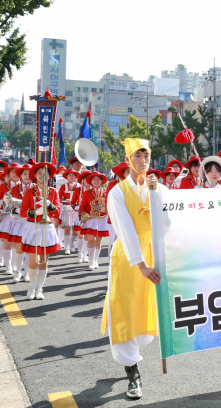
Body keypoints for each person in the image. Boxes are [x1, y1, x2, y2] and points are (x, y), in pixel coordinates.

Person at [101, 138, 166, 400]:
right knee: (125, 309)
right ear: (128, 161)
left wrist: (155, 195)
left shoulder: (158, 188)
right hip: (129, 259)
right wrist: (140, 264)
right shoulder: (117, 192)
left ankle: (133, 357)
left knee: (150, 308)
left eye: (146, 156)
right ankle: (132, 371)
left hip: (155, 254)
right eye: (137, 156)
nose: (143, 161)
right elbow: (125, 231)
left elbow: (168, 223)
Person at [20, 162, 61, 300]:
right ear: (35, 176)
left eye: (45, 174)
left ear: (49, 176)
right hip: (33, 226)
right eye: (39, 174)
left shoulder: (53, 191)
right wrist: (35, 212)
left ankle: (39, 288)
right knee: (34, 260)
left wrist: (50, 206)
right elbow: (22, 211)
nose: (42, 176)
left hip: (47, 227)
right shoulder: (29, 192)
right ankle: (31, 287)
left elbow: (58, 210)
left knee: (44, 260)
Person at [79, 172, 110, 270]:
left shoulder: (106, 192)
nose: (96, 181)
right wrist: (82, 217)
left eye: (98, 179)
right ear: (91, 182)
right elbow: (83, 205)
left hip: (102, 219)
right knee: (90, 239)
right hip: (90, 219)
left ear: (102, 181)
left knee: (98, 241)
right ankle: (91, 261)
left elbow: (110, 205)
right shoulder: (87, 192)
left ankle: (96, 260)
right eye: (94, 179)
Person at [10, 164, 34, 283]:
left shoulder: (36, 188)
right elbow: (11, 205)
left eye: (30, 173)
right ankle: (18, 272)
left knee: (29, 249)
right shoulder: (15, 188)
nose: (27, 176)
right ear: (20, 176)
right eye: (24, 174)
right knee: (19, 248)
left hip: (31, 222)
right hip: (19, 221)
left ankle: (27, 273)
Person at [107, 162, 129, 259]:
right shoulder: (112, 184)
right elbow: (107, 201)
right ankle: (111, 266)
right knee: (113, 243)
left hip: (129, 218)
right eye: (127, 172)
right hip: (113, 218)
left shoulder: (134, 185)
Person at [58, 169, 80, 255]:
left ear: (75, 177)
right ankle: (67, 248)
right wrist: (65, 200)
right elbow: (59, 198)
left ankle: (71, 242)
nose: (71, 177)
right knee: (67, 228)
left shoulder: (79, 186)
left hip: (76, 210)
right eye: (69, 175)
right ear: (66, 177)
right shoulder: (63, 186)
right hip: (66, 208)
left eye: (73, 175)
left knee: (75, 229)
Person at [72, 171, 92, 263]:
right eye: (86, 179)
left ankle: (85, 255)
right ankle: (80, 254)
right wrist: (77, 208)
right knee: (80, 235)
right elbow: (72, 203)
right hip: (79, 214)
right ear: (82, 181)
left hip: (91, 215)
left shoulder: (93, 190)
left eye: (89, 179)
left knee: (87, 236)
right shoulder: (78, 190)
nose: (88, 181)